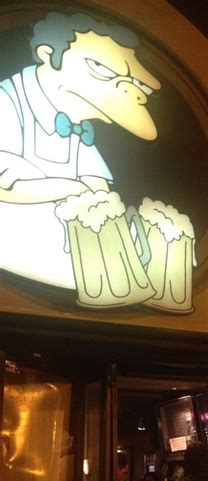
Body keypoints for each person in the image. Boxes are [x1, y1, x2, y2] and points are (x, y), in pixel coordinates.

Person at [0, 11, 160, 288]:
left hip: (68, 245)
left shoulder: (76, 124)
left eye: (133, 84)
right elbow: (7, 186)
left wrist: (99, 206)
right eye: (102, 70)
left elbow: (97, 185)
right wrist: (73, 191)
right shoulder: (7, 102)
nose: (127, 91)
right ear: (48, 55)